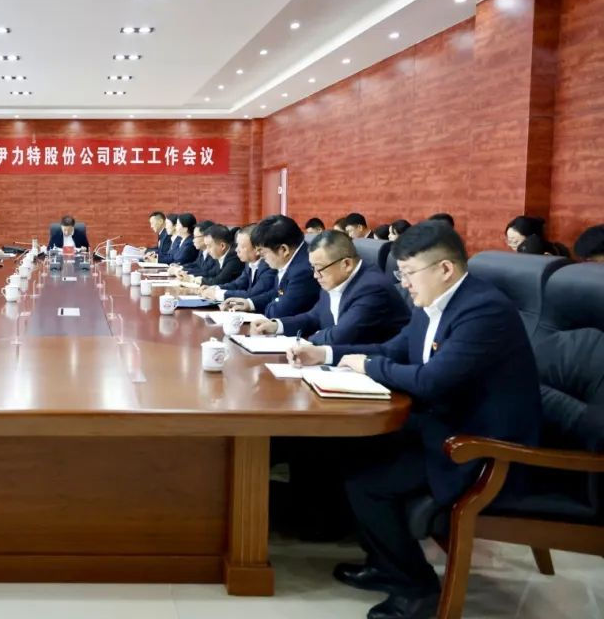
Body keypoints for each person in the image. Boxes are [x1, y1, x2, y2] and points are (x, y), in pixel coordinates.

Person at [288, 221, 541, 619]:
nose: (403, 283)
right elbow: (395, 348)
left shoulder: (483, 311)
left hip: (479, 446)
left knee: (370, 482)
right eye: (400, 273)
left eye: (408, 273)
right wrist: (327, 355)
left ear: (445, 269)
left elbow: (431, 380)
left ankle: (416, 589)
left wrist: (368, 366)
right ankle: (383, 563)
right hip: (443, 423)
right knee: (343, 450)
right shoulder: (435, 302)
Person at [250, 230, 409, 345]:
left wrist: (309, 339)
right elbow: (314, 316)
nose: (315, 275)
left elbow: (340, 336)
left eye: (319, 268)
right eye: (313, 268)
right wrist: (277, 325)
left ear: (346, 264)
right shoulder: (334, 277)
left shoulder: (372, 287)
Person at [222, 215, 320, 319]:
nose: (261, 257)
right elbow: (276, 293)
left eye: (263, 253)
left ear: (283, 250)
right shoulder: (291, 259)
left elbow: (279, 312)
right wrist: (249, 303)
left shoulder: (303, 270)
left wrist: (268, 305)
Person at [202, 224, 276, 302]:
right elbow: (237, 284)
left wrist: (218, 294)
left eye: (242, 246)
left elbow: (253, 294)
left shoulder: (269, 266)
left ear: (257, 249)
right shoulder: (249, 263)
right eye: (237, 245)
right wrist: (215, 288)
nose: (236, 250)